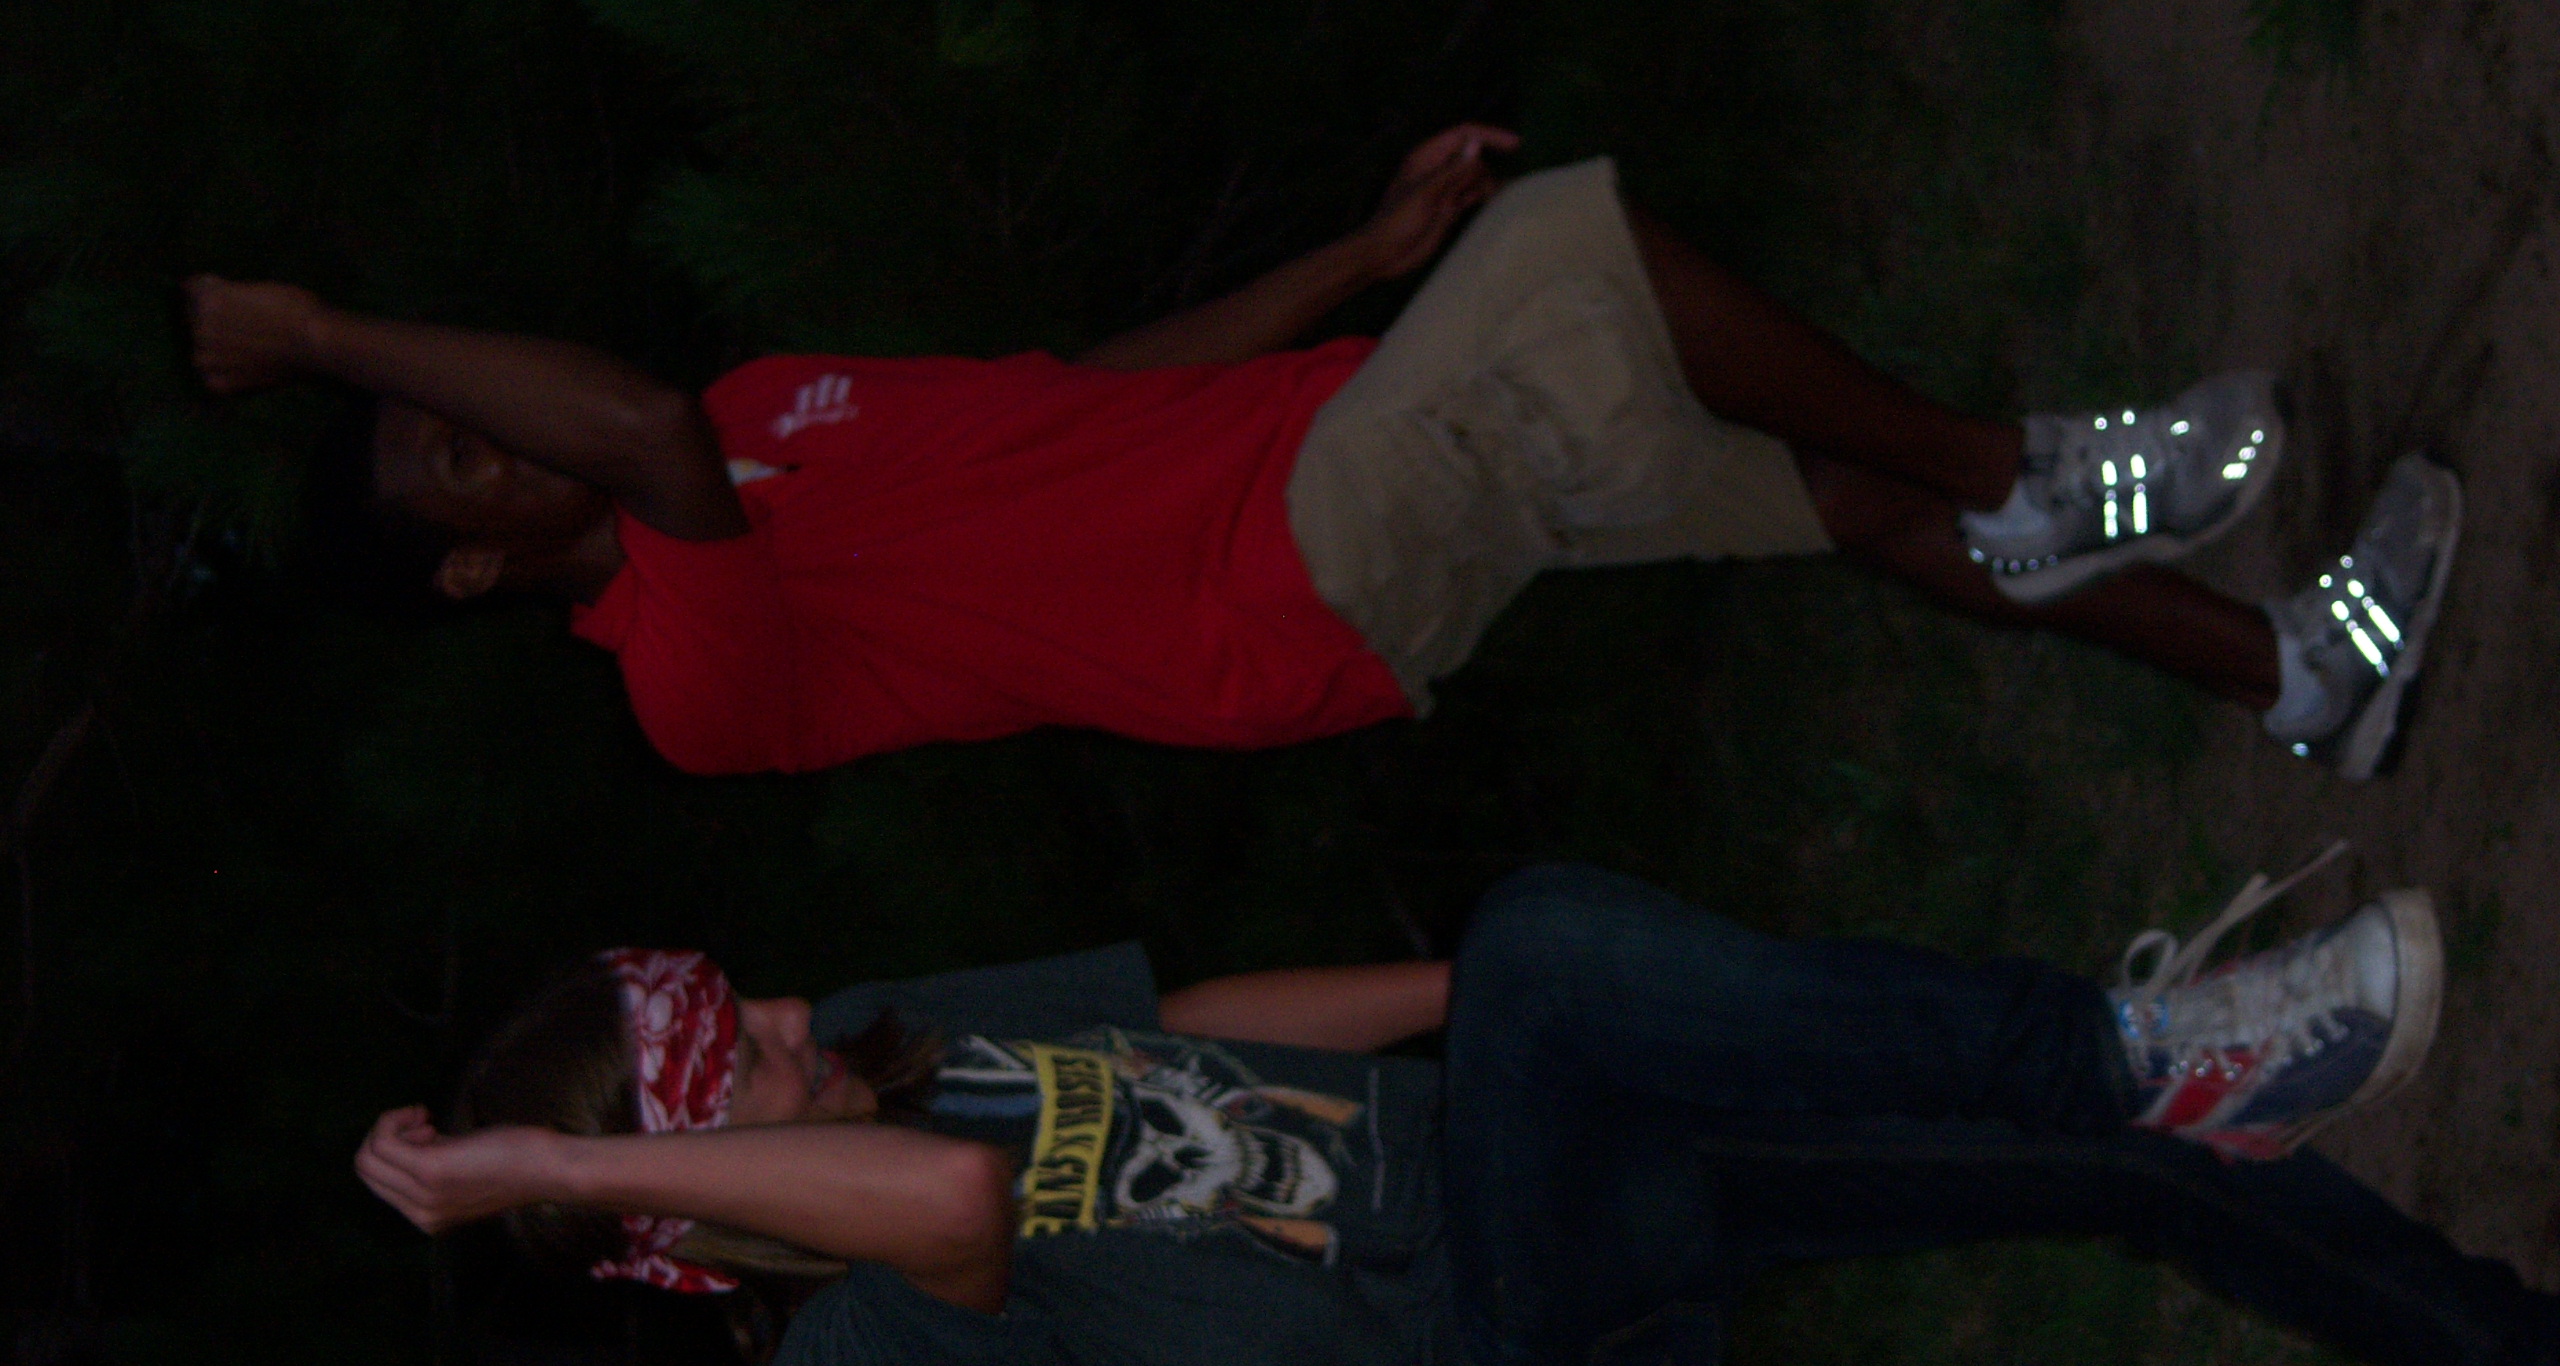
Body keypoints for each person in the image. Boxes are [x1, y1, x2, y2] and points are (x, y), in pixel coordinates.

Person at [356, 859, 2557, 1366]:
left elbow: (1186, 1020)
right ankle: (2125, 1041)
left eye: (736, 999)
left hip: (1543, 1178)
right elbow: (946, 1206)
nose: (786, 1014)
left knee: (2097, 1176)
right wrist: (558, 1164)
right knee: (1553, 944)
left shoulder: (902, 1034)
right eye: (730, 1056)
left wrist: (1484, 1013)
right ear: (676, 1199)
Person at [190, 132, 2455, 785]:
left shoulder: (778, 401)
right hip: (1277, 590)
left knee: (1836, 500)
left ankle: (2292, 679)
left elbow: (1081, 384)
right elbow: (629, 427)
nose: (497, 435)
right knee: (1572, 248)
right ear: (475, 567)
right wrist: (316, 337)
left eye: (462, 411)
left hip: (1305, 449)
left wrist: (1353, 261)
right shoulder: (691, 674)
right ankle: (2036, 468)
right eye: (455, 460)